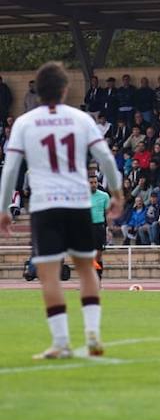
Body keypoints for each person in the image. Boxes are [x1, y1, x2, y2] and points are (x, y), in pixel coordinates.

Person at [0, 62, 124, 359]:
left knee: (49, 274)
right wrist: (117, 192)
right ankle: (93, 336)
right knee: (85, 269)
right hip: (78, 202)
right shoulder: (81, 119)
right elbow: (105, 158)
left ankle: (61, 342)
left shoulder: (25, 123)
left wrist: (4, 207)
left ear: (37, 91)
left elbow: (11, 169)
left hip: (45, 206)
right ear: (65, 89)